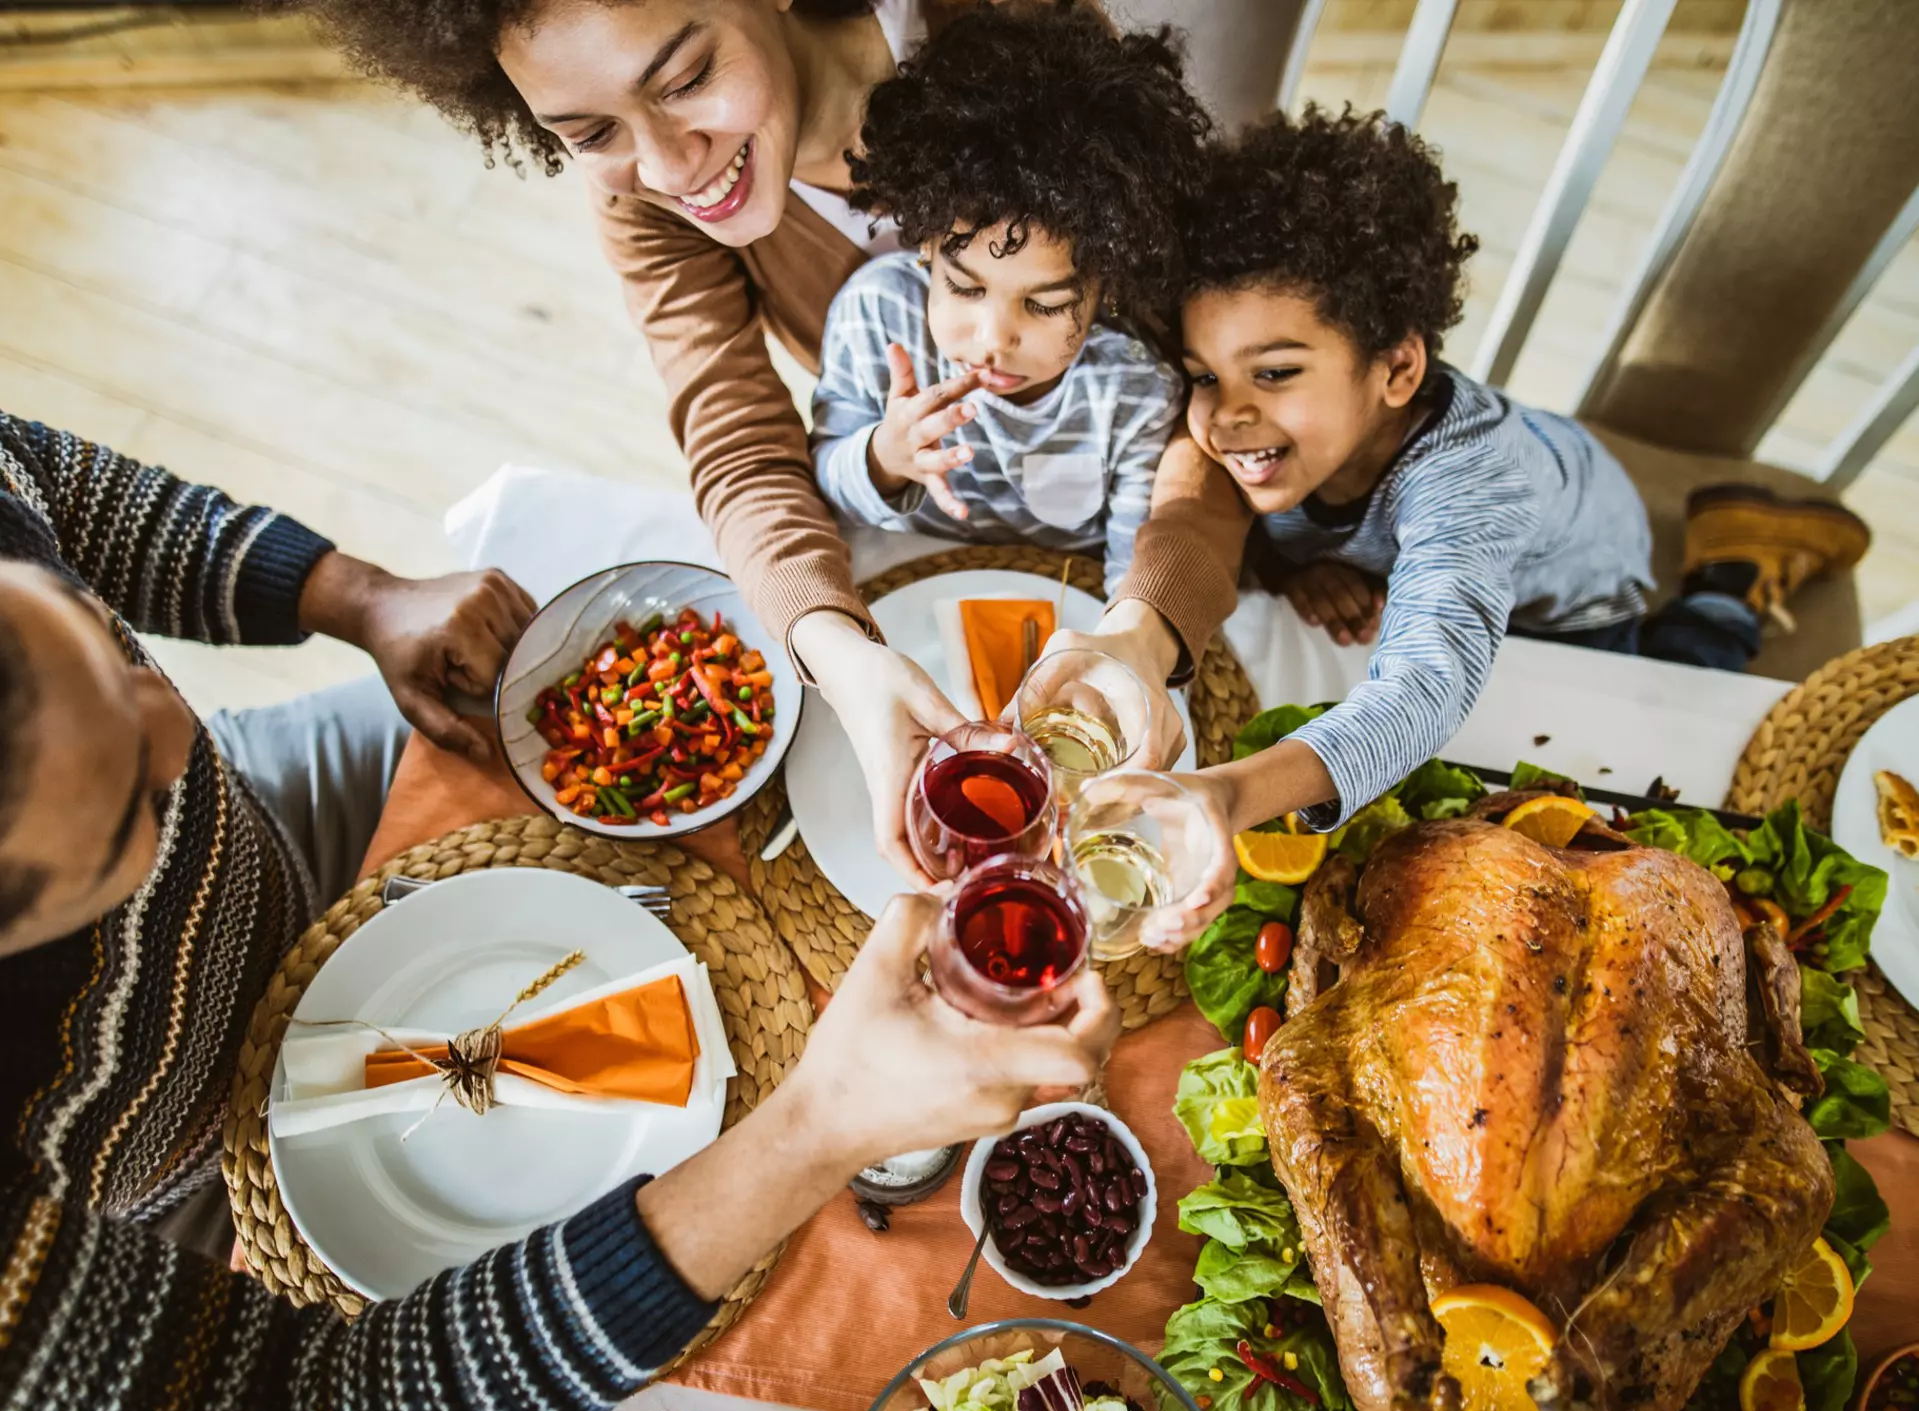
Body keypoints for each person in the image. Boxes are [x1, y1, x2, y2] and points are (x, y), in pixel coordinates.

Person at [0, 413, 1117, 1411]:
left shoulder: (170, 736)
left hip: (281, 817)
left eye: (98, 642)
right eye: (133, 804)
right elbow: (325, 1405)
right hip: (181, 1183)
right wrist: (816, 1128)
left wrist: (351, 594)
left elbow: (42, 484)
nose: (175, 722)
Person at [292, 0, 1248, 884]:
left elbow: (1198, 382)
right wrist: (835, 649)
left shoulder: (1025, 50)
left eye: (684, 78)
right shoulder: (647, 197)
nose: (669, 169)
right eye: (589, 132)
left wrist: (1145, 622)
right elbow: (737, 438)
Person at [1167, 107, 1871, 840]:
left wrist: (1227, 797)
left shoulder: (1473, 488)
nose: (1226, 418)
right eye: (1202, 377)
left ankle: (1732, 574)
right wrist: (1292, 573)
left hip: (1579, 589)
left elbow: (1425, 690)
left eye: (1274, 372)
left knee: (1660, 702)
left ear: (1398, 368)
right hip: (1465, 537)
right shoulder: (1286, 440)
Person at [811, 2, 1198, 600]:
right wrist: (884, 458)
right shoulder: (875, 317)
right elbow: (826, 480)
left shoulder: (1133, 390)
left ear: (1108, 288)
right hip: (903, 584)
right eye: (964, 287)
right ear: (925, 244)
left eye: (1044, 305)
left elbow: (1134, 567)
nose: (993, 339)